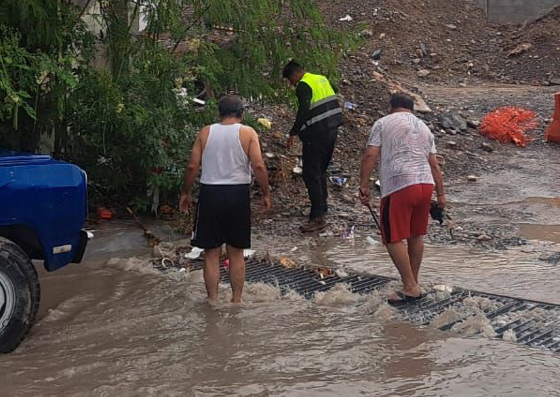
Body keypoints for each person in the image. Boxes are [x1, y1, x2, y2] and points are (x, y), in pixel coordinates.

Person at [179, 94, 271, 304]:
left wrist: (185, 192)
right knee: (236, 252)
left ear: (219, 113)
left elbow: (192, 166)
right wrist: (265, 192)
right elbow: (258, 166)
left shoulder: (206, 132)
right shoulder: (248, 133)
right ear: (242, 113)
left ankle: (213, 300)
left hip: (210, 193)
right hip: (237, 194)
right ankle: (236, 301)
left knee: (211, 252)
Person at [359, 92, 446, 306]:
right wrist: (441, 194)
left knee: (392, 237)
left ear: (392, 107)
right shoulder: (424, 128)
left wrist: (363, 185)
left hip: (399, 184)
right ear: (411, 109)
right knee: (416, 234)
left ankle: (410, 287)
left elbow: (371, 155)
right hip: (425, 184)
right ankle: (413, 282)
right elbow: (434, 163)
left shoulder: (383, 123)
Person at [281, 59, 344, 233]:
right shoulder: (321, 79)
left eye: (290, 80)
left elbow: (304, 110)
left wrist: (294, 132)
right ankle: (322, 205)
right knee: (320, 170)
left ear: (295, 74)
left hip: (317, 133)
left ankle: (317, 217)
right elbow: (334, 91)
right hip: (332, 129)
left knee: (310, 173)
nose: (291, 85)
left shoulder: (303, 85)